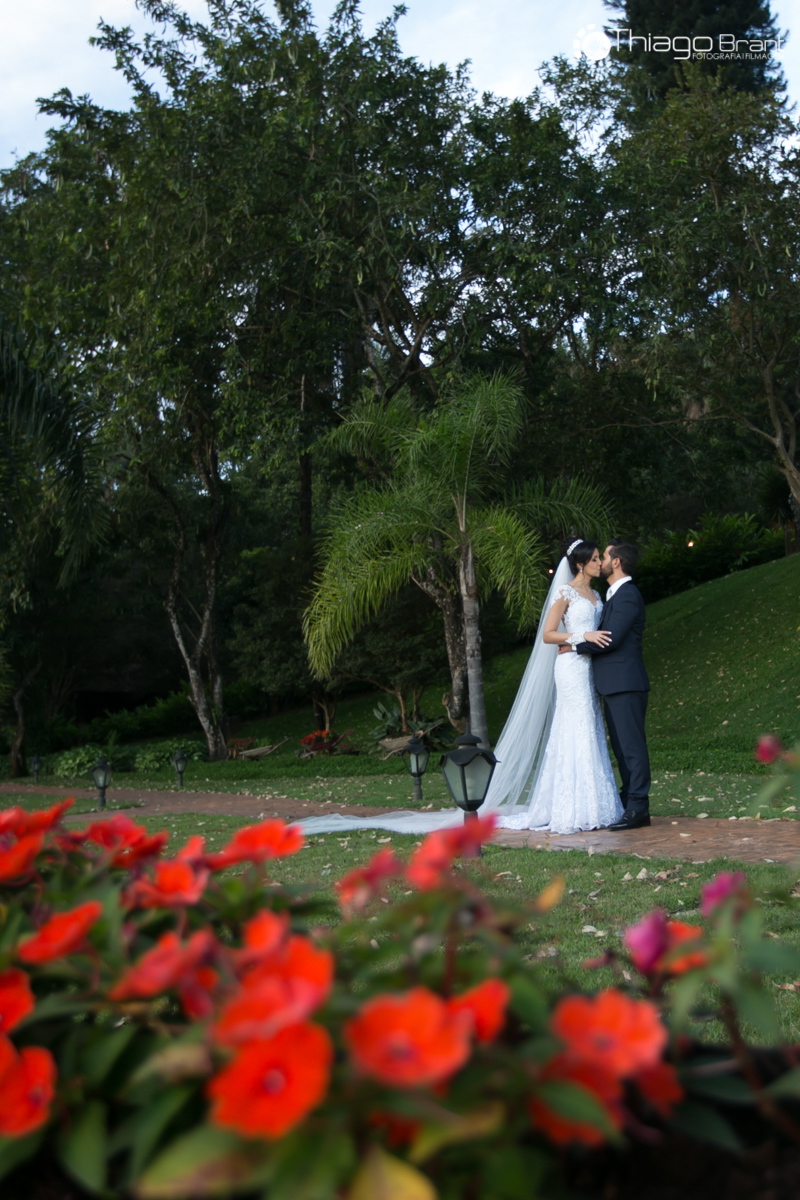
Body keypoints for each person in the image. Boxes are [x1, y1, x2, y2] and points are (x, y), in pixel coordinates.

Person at [484, 537, 624, 834]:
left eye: (601, 558)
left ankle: (593, 803)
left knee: (590, 727)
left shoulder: (597, 596)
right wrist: (579, 637)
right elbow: (548, 635)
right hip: (571, 669)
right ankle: (571, 808)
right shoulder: (565, 592)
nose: (601, 563)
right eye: (596, 559)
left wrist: (585, 641)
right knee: (577, 725)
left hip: (589, 668)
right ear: (580, 564)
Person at [564, 539, 651, 831]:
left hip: (626, 683)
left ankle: (638, 806)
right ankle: (630, 802)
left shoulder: (627, 595)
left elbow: (610, 639)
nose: (599, 561)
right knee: (622, 747)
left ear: (616, 562)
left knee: (632, 747)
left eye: (605, 556)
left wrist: (575, 646)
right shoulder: (613, 595)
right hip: (613, 685)